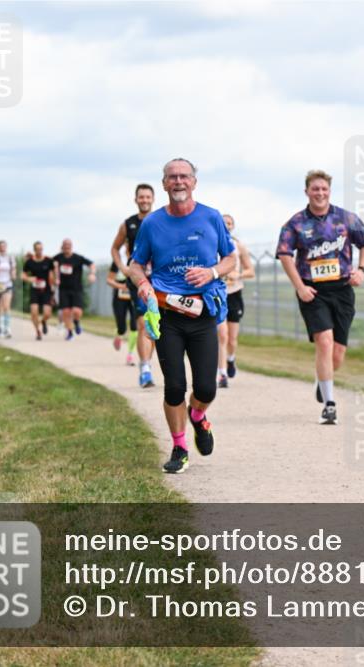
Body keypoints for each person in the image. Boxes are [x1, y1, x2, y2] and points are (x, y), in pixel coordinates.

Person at [129, 157, 236, 474]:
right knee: (174, 386)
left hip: (202, 312)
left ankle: (199, 416)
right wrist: (144, 284)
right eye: (172, 177)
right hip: (167, 313)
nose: (178, 182)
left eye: (184, 176)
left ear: (194, 182)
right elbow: (136, 264)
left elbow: (229, 257)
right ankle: (179, 447)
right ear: (164, 184)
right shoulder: (152, 224)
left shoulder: (211, 217)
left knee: (206, 389)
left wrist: (212, 271)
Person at [277, 169, 364, 425]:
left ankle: (323, 380)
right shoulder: (296, 223)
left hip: (342, 289)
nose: (319, 193)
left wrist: (361, 270)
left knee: (337, 353)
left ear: (329, 191)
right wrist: (299, 286)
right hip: (313, 290)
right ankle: (329, 404)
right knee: (325, 341)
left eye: (324, 189)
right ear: (307, 191)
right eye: (315, 189)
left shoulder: (346, 219)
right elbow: (285, 254)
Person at [110, 183, 157, 387]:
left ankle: (147, 362)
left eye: (148, 197)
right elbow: (115, 248)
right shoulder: (128, 224)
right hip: (137, 280)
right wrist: (124, 267)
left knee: (155, 325)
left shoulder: (162, 220)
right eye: (141, 197)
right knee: (142, 323)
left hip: (161, 279)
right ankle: (145, 368)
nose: (144, 200)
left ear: (153, 199)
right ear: (136, 199)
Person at [216, 214, 254, 387]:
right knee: (221, 335)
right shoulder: (211, 244)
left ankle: (231, 359)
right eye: (224, 223)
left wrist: (238, 275)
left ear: (233, 226)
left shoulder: (238, 246)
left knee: (232, 338)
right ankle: (222, 374)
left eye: (229, 223)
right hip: (217, 294)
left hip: (235, 294)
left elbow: (250, 271)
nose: (227, 225)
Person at [53, 239, 95, 340]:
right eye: (65, 245)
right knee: (66, 312)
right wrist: (55, 278)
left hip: (76, 289)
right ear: (62, 246)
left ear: (71, 246)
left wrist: (92, 273)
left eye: (69, 245)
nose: (67, 247)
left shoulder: (78, 258)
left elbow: (92, 264)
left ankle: (76, 322)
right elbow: (48, 264)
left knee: (77, 311)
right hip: (63, 289)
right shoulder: (58, 258)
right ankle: (70, 332)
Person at [23, 242, 56, 340]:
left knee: (47, 313)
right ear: (34, 250)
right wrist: (29, 279)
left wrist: (53, 284)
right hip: (34, 290)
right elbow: (23, 274)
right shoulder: (30, 262)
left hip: (46, 290)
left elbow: (54, 273)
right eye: (37, 249)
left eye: (41, 249)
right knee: (34, 312)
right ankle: (38, 332)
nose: (39, 251)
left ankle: (44, 321)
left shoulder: (48, 261)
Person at [107, 261, 138, 364]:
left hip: (135, 296)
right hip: (119, 297)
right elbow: (109, 280)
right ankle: (119, 334)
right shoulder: (118, 261)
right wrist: (121, 286)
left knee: (135, 326)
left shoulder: (140, 258)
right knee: (122, 328)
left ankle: (130, 355)